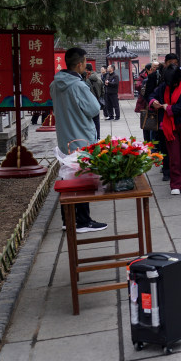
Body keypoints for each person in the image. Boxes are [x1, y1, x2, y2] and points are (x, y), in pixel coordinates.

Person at [51, 48, 107, 233]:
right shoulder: (78, 85)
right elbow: (93, 109)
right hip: (80, 135)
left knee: (67, 177)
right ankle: (83, 221)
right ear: (80, 64)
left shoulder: (55, 84)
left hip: (64, 137)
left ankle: (68, 220)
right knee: (81, 177)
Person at [151, 66, 181, 195]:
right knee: (173, 155)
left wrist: (169, 108)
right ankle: (175, 184)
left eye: (174, 83)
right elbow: (152, 95)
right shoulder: (164, 85)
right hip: (169, 125)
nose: (172, 85)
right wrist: (153, 101)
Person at [145, 54, 179, 182]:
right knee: (164, 144)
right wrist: (153, 101)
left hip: (176, 113)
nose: (173, 65)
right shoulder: (155, 76)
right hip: (161, 115)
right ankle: (166, 170)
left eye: (175, 62)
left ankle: (176, 168)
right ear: (165, 62)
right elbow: (147, 94)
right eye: (170, 62)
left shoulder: (180, 76)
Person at [84, 63, 103, 140]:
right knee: (96, 120)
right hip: (97, 102)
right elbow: (103, 91)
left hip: (88, 103)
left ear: (86, 70)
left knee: (89, 121)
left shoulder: (86, 80)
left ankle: (91, 138)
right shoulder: (99, 78)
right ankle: (98, 137)